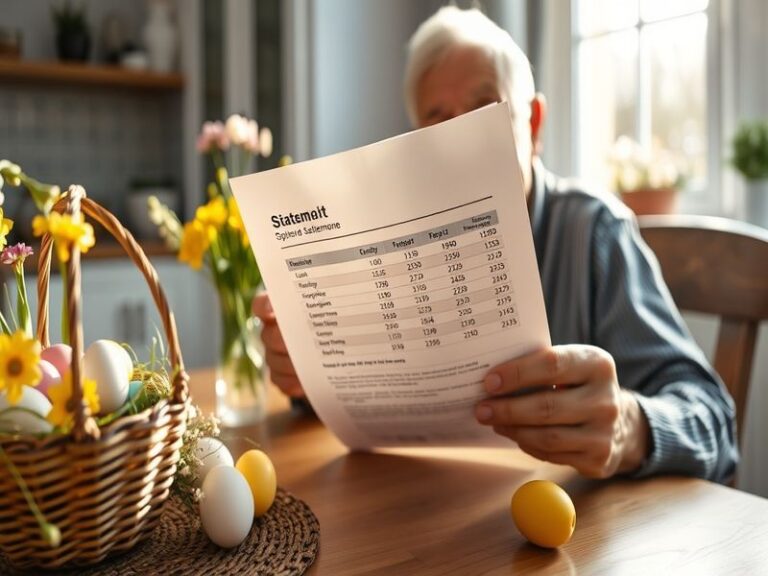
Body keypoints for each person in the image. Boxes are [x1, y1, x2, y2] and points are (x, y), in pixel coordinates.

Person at [252, 6, 737, 482]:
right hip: (432, 507)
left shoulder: (595, 232)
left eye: (486, 110)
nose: (461, 141)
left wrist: (630, 427)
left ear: (534, 124)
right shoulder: (396, 244)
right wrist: (306, 375)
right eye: (439, 122)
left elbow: (713, 420)